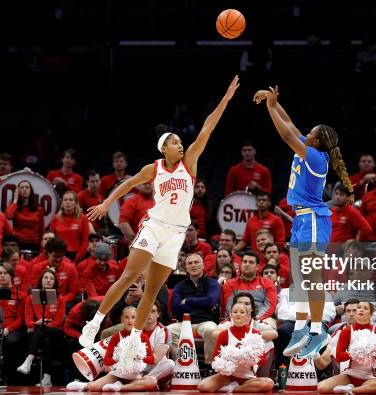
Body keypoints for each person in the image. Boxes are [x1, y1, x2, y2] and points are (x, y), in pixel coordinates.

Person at [79, 76, 240, 348]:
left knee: (152, 291)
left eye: (180, 142)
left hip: (176, 234)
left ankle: (133, 344)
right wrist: (107, 203)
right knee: (130, 276)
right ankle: (94, 322)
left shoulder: (189, 162)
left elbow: (207, 129)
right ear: (164, 148)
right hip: (154, 226)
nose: (180, 145)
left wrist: (225, 99)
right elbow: (128, 183)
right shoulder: (154, 168)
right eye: (175, 142)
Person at [254, 85, 352, 356]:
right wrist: (274, 103)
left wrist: (270, 107)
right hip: (301, 219)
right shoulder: (307, 148)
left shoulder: (316, 158)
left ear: (317, 142)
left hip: (313, 219)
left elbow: (285, 132)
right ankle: (300, 328)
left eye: (311, 133)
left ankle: (317, 332)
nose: (306, 133)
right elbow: (290, 124)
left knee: (312, 277)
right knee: (298, 278)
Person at [68, 306, 157, 392]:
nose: (130, 320)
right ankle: (84, 385)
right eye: (126, 317)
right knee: (93, 387)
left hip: (135, 376)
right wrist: (120, 358)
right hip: (117, 374)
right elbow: (107, 360)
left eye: (133, 317)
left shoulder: (143, 337)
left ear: (138, 320)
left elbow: (151, 360)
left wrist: (139, 356)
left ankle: (120, 387)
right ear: (122, 319)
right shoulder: (116, 337)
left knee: (152, 381)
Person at [317, 301, 376, 394]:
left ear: (371, 314)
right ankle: (363, 389)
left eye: (365, 308)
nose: (361, 310)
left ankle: (352, 390)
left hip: (369, 377)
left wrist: (374, 353)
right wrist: (355, 353)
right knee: (321, 387)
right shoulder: (346, 332)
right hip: (349, 375)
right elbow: (339, 357)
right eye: (359, 307)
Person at [198, 303, 274, 393]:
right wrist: (228, 361)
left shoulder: (255, 334)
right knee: (203, 387)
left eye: (242, 312)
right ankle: (236, 386)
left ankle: (234, 389)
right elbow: (215, 357)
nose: (238, 314)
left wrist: (250, 358)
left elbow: (263, 360)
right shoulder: (224, 334)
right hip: (227, 376)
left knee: (269, 383)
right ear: (231, 315)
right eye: (235, 312)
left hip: (248, 377)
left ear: (247, 315)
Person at [16, 268, 66, 387]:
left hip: (55, 332)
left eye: (51, 278)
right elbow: (28, 321)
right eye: (45, 278)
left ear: (55, 282)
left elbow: (58, 322)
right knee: (46, 340)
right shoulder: (31, 298)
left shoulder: (60, 299)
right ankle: (47, 378)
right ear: (41, 280)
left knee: (43, 330)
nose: (48, 280)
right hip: (39, 332)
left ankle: (29, 360)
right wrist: (36, 323)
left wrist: (40, 325)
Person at [167, 254, 220, 363]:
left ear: (203, 265)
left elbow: (211, 301)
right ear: (186, 267)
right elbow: (176, 308)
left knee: (212, 330)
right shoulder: (180, 286)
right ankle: (183, 363)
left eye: (196, 262)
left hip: (206, 322)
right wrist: (203, 304)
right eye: (190, 263)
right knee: (168, 331)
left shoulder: (212, 283)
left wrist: (187, 301)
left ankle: (210, 366)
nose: (193, 265)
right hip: (185, 323)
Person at [50, 190, 90, 262]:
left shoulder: (83, 218)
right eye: (65, 200)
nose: (68, 202)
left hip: (76, 256)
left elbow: (85, 242)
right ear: (62, 203)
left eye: (71, 200)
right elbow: (51, 240)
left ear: (76, 203)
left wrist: (77, 259)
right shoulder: (55, 218)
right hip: (58, 256)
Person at [5, 180, 45, 252]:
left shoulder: (39, 209)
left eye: (27, 187)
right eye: (22, 187)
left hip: (34, 244)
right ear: (18, 191)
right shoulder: (15, 207)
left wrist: (41, 248)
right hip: (18, 243)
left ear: (30, 191)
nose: (24, 189)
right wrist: (15, 200)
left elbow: (41, 229)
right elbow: (8, 216)